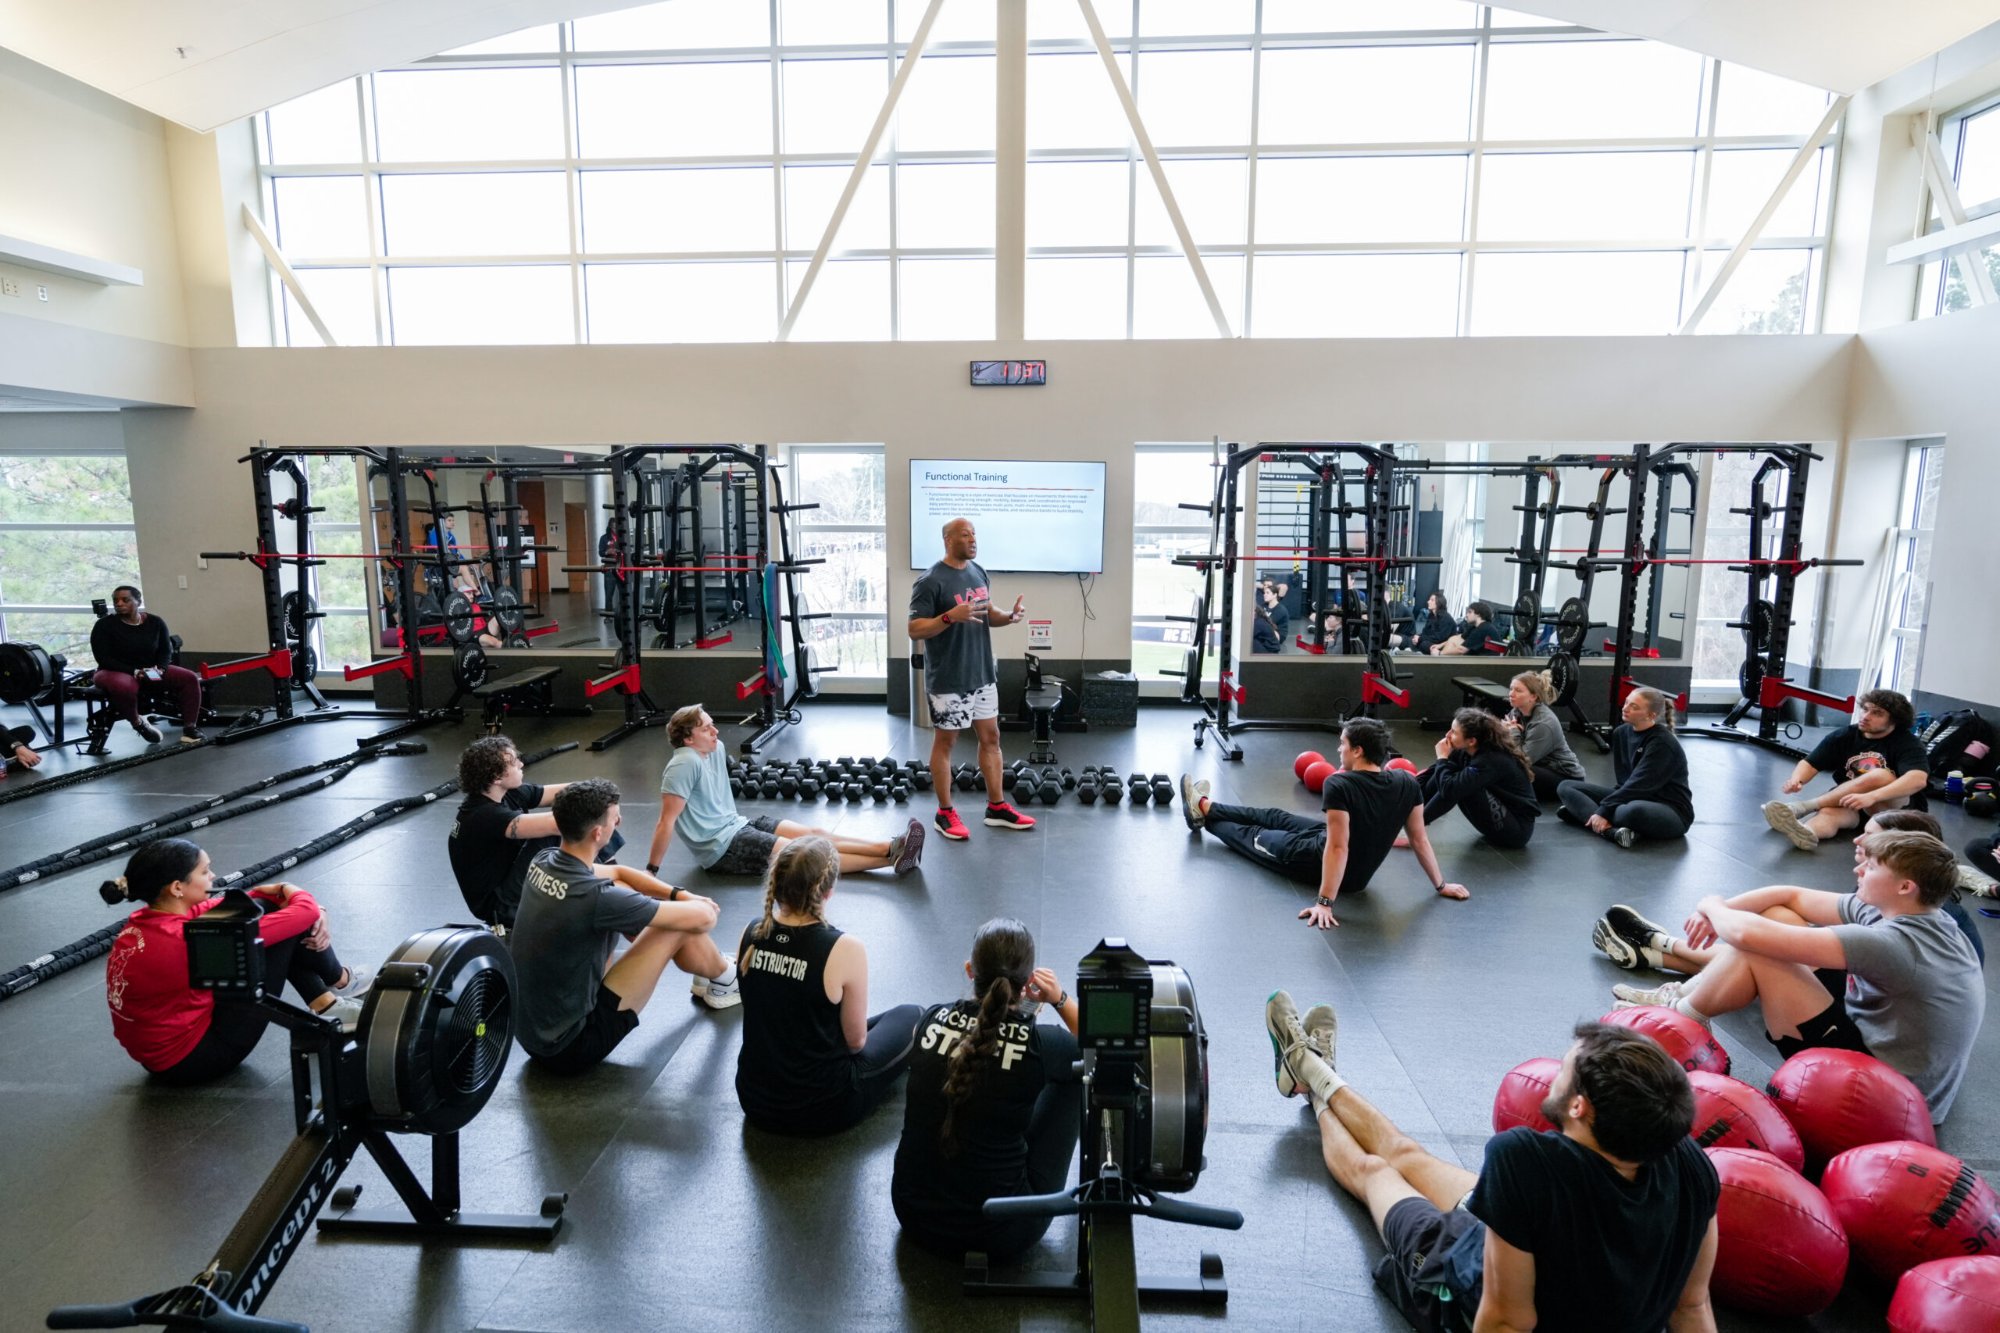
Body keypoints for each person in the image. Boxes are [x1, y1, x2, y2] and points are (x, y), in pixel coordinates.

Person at [1266, 994, 1719, 1333]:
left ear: (1580, 1107)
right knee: (1407, 1154)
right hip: (1535, 1242)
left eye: (1566, 1067)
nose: (1555, 1072)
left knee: (1376, 1172)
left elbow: (1504, 1323)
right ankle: (1311, 1066)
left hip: (1463, 1286)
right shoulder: (1689, 1161)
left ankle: (1308, 1082)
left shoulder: (1524, 1160)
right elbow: (1692, 1306)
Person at [1603, 830, 1983, 1125]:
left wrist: (1711, 904)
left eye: (1873, 866)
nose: (1858, 870)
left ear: (1905, 886)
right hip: (1885, 1051)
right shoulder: (1913, 912)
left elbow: (1748, 937)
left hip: (1889, 1098)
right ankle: (1683, 998)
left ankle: (1679, 1021)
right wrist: (1718, 914)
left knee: (1762, 951)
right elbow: (1790, 896)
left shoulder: (1893, 942)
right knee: (1779, 918)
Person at [511, 780, 740, 1074]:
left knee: (634, 894)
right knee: (675, 926)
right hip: (570, 1048)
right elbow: (705, 919)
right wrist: (697, 904)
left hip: (532, 1036)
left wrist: (679, 894)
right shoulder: (595, 897)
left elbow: (619, 872)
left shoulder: (542, 861)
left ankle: (710, 973)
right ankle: (727, 976)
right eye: (614, 817)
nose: (618, 821)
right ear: (598, 832)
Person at [100, 839, 372, 1083]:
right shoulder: (188, 939)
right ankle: (338, 982)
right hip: (196, 1059)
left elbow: (249, 900)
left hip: (155, 1056)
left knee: (269, 914)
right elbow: (302, 912)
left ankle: (330, 1000)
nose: (213, 876)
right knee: (282, 930)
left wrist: (297, 904)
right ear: (177, 887)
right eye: (205, 872)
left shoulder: (145, 920)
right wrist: (291, 891)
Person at [892, 917, 1082, 1259]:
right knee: (1077, 1074)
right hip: (1002, 1233)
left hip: (914, 1215)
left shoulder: (930, 1019)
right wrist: (1059, 998)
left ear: (970, 970)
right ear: (1027, 985)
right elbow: (1098, 1047)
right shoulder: (1043, 1044)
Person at [1179, 717, 1468, 928]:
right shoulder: (1406, 780)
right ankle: (1206, 804)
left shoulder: (1339, 784)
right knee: (1276, 817)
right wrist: (1440, 885)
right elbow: (1419, 838)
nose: (1339, 750)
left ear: (1357, 750)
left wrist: (1325, 902)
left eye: (1342, 744)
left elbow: (1338, 848)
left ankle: (1201, 816)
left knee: (1254, 835)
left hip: (1316, 861)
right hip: (1345, 862)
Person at [734, 836, 923, 1135]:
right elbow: (855, 1043)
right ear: (829, 891)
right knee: (913, 1016)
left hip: (754, 1100)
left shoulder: (751, 931)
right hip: (824, 1108)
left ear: (776, 883)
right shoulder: (844, 947)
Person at [646, 705, 923, 879]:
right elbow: (665, 822)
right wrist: (652, 871)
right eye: (707, 729)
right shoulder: (683, 763)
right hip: (721, 848)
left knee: (816, 834)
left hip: (738, 825)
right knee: (806, 856)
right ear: (687, 739)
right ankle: (889, 860)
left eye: (712, 724)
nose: (716, 731)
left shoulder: (714, 749)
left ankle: (890, 846)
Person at [908, 517, 1037, 841]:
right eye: (965, 535)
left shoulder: (978, 572)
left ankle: (996, 807)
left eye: (975, 534)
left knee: (991, 737)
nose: (973, 539)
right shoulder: (930, 581)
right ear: (948, 540)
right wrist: (951, 616)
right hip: (949, 678)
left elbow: (986, 611)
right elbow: (915, 628)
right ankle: (944, 813)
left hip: (982, 673)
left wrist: (1009, 617)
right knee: (947, 741)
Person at [447, 735, 622, 930]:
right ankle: (614, 892)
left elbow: (567, 793)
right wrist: (605, 811)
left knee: (590, 808)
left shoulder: (507, 793)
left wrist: (601, 793)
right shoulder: (483, 815)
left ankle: (613, 883)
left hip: (511, 883)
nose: (521, 764)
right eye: (514, 763)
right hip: (502, 907)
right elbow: (557, 823)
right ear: (497, 777)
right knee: (572, 823)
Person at [1761, 689, 1930, 852]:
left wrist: (1871, 796)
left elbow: (1917, 780)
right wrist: (1797, 780)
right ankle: (1807, 832)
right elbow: (1811, 763)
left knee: (1879, 775)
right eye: (1865, 709)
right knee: (1828, 812)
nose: (1866, 716)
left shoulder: (1907, 743)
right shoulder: (1845, 735)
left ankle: (1802, 807)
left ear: (1895, 720)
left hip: (1897, 808)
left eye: (1877, 713)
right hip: (1857, 802)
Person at [1555, 687, 1692, 848]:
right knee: (1566, 787)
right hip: (1632, 796)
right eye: (1626, 702)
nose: (1626, 708)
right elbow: (1623, 782)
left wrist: (1603, 810)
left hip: (1669, 810)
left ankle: (1583, 814)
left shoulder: (1662, 743)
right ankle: (1611, 832)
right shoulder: (1621, 733)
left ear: (1651, 715)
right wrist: (1606, 807)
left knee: (1629, 811)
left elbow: (1640, 786)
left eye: (1634, 707)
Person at [89, 584, 205, 744]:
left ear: (138, 601)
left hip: (149, 668)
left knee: (189, 678)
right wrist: (134, 671)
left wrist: (161, 668)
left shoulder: (155, 622)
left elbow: (165, 650)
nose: (119, 604)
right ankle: (138, 723)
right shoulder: (104, 625)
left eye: (125, 600)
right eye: (116, 601)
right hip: (113, 670)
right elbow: (103, 658)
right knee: (124, 685)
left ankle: (190, 728)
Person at [1414, 709, 1540, 850]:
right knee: (1448, 772)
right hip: (1496, 819)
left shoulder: (1491, 760)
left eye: (1454, 732)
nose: (1447, 735)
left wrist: (1442, 759)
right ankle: (1413, 821)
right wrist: (1408, 800)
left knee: (1461, 785)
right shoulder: (1465, 751)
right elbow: (1431, 775)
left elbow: (1449, 790)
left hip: (1515, 831)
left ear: (1472, 741)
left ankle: (1415, 827)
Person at [1504, 670, 1585, 800]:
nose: (1511, 694)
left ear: (1533, 697)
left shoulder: (1544, 724)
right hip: (1540, 765)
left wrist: (1513, 732)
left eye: (1518, 690)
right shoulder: (1517, 711)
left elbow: (1522, 759)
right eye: (1511, 689)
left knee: (1511, 770)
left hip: (1566, 778)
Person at [1430, 600, 1498, 656]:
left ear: (1478, 614)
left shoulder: (1483, 628)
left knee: (1458, 649)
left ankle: (1441, 663)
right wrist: (1440, 645)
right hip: (1478, 658)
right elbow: (1458, 637)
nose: (1466, 615)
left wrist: (1439, 653)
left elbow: (1461, 650)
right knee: (1453, 639)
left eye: (1469, 612)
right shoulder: (1474, 627)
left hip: (1487, 663)